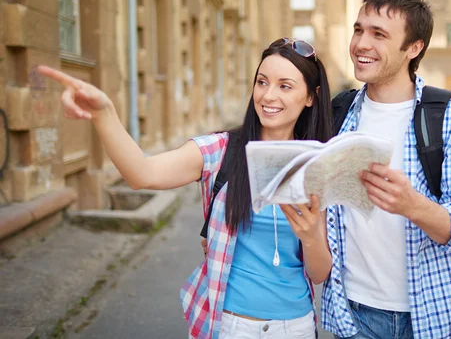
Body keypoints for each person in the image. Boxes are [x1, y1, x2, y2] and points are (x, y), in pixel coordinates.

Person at [38, 37, 334, 339]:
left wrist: (310, 236)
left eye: (285, 86)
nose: (268, 95)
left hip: (295, 327)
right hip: (232, 326)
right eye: (262, 82)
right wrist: (103, 113)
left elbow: (319, 273)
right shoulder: (223, 150)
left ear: (311, 96)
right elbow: (142, 173)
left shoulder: (318, 165)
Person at [320, 0, 451, 339]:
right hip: (351, 314)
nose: (361, 43)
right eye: (359, 29)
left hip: (430, 315)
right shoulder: (338, 115)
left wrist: (413, 206)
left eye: (379, 34)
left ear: (414, 48)